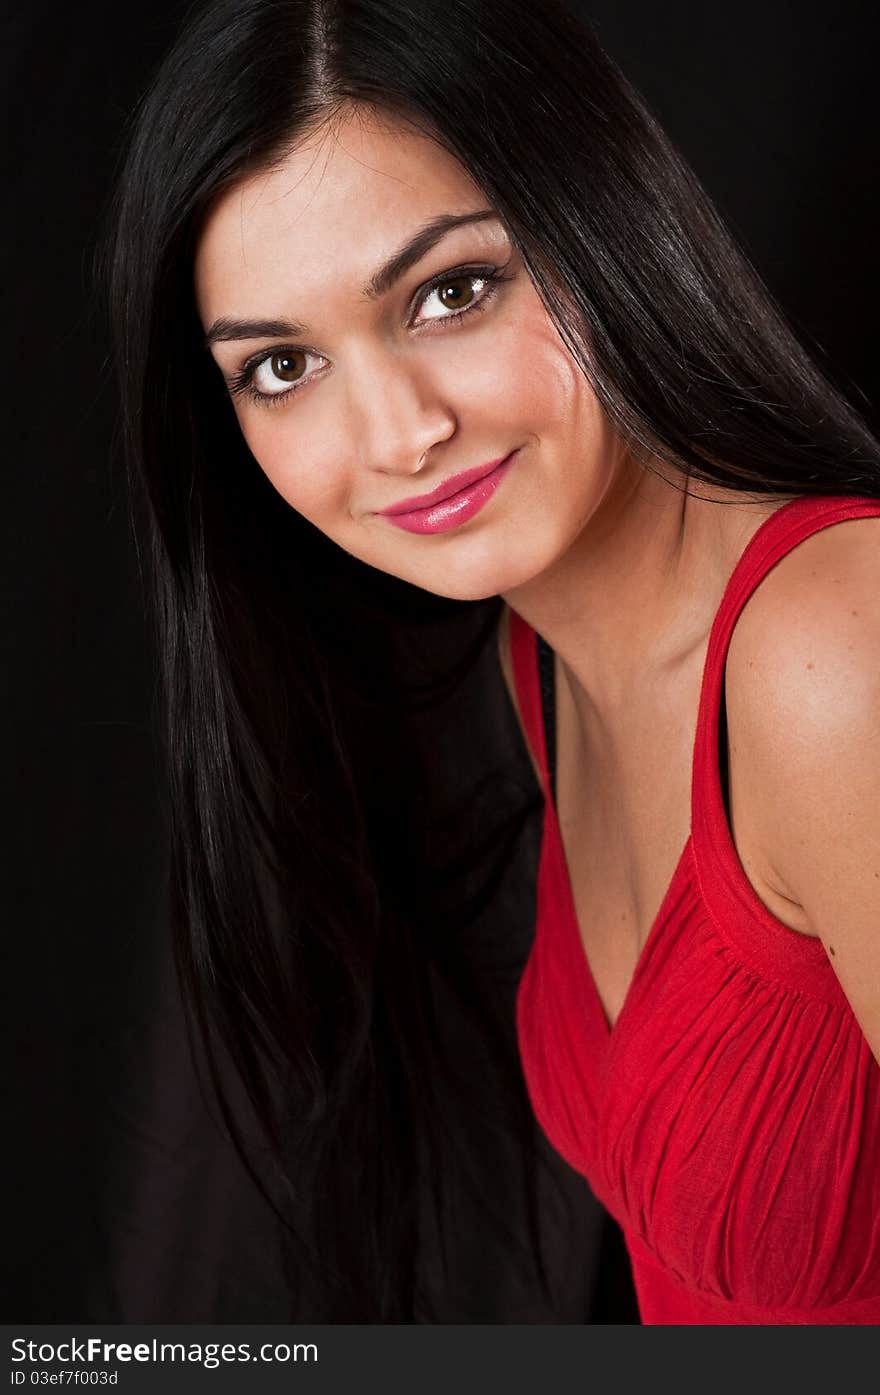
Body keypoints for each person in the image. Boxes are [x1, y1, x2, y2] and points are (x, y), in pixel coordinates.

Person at [107, 0, 880, 1323]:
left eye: (450, 292)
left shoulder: (831, 657)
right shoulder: (546, 662)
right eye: (283, 366)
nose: (400, 430)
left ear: (598, 220)